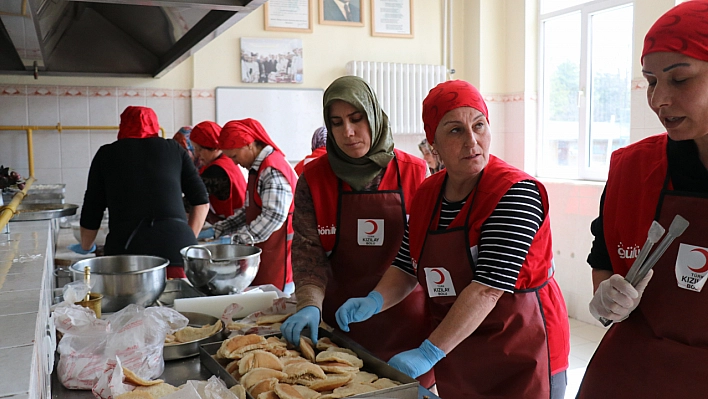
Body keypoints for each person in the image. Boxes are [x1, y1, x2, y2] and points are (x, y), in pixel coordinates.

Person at [332, 80, 570, 398]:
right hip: (458, 344)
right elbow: (406, 264)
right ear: (433, 144)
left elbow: (487, 288)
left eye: (479, 125)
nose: (473, 141)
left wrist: (429, 352)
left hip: (522, 346)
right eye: (455, 130)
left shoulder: (515, 192)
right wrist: (374, 300)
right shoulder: (429, 192)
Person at [577, 2, 708, 397]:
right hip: (632, 373)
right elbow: (604, 261)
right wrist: (607, 299)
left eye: (679, 79)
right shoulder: (632, 169)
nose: (659, 100)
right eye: (651, 81)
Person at [280, 76, 435, 388]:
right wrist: (309, 303)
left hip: (409, 327)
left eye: (356, 118)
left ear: (373, 116)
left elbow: (429, 253)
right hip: (343, 329)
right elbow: (308, 253)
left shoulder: (415, 173)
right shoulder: (313, 179)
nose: (347, 132)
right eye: (336, 123)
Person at [75, 106, 209, 279]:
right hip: (177, 252)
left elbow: (92, 209)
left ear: (122, 126)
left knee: (130, 306)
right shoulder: (175, 150)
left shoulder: (106, 154)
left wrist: (87, 247)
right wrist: (186, 239)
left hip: (127, 254)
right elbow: (202, 201)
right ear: (155, 125)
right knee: (178, 303)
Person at [213, 118, 297, 294]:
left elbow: (273, 216)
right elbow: (249, 211)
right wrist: (221, 229)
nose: (235, 163)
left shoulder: (271, 169)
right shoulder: (257, 169)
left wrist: (238, 240)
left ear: (249, 145)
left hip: (278, 256)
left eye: (235, 156)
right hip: (264, 251)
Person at [189, 121, 247, 225]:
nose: (196, 154)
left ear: (215, 148)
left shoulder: (217, 171)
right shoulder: (226, 160)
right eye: (195, 149)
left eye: (200, 149)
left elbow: (190, 201)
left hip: (233, 225)